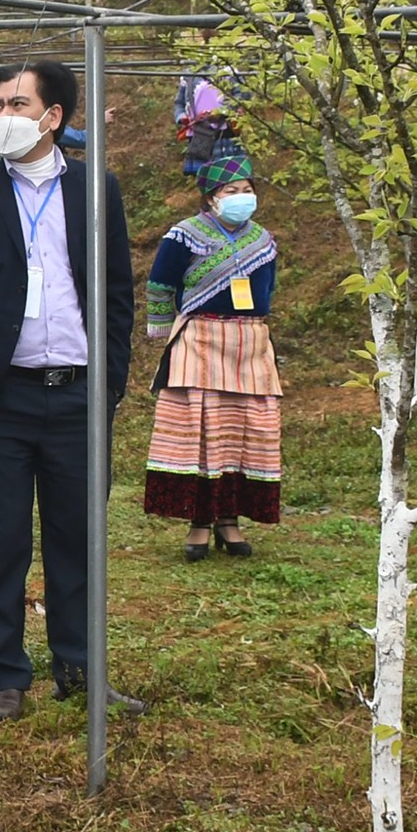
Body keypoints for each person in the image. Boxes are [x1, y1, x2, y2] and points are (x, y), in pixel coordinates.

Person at [0, 60, 139, 725]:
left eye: (16, 103)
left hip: (77, 395)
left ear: (53, 117)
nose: (1, 116)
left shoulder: (94, 189)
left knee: (78, 536)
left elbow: (117, 293)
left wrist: (109, 379)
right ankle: (7, 674)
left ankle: (79, 667)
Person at [143, 152, 283, 559]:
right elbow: (160, 284)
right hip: (201, 342)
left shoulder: (263, 241)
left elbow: (268, 291)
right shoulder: (184, 235)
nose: (242, 197)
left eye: (246, 190)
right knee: (203, 432)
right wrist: (159, 327)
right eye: (231, 191)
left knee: (245, 432)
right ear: (210, 199)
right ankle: (199, 522)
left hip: (250, 347)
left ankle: (230, 520)